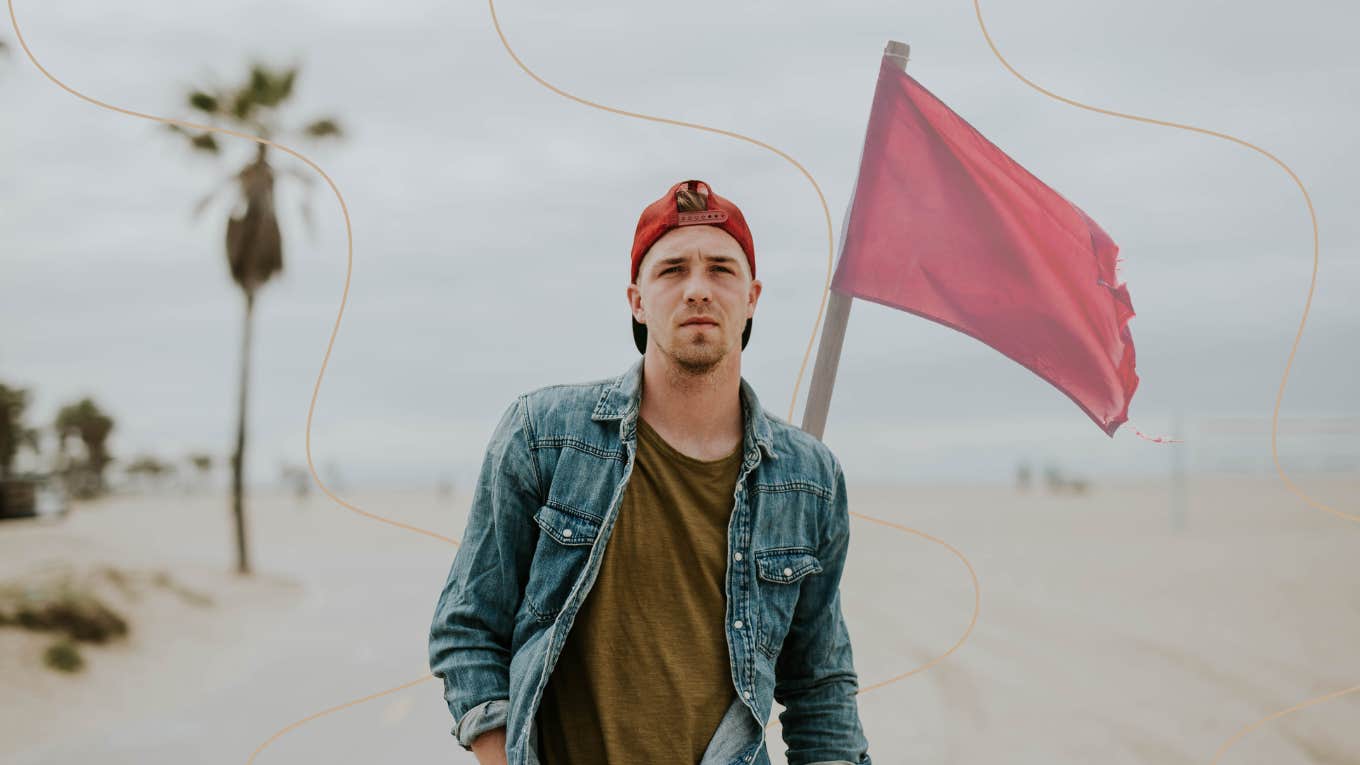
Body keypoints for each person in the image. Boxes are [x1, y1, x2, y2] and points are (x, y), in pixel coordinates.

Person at [428, 179, 872, 765]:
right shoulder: (544, 435)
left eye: (720, 269)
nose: (697, 290)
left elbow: (819, 688)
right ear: (637, 299)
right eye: (672, 271)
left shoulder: (809, 478)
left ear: (752, 297)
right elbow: (467, 629)